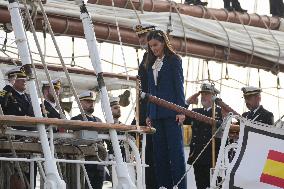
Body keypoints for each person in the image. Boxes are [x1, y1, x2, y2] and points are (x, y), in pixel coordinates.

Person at [145, 30, 186, 189]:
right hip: (156, 114)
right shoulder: (151, 64)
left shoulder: (174, 60)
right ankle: (164, 186)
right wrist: (149, 113)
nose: (153, 49)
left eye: (155, 45)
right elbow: (150, 91)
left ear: (163, 42)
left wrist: (181, 110)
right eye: (151, 46)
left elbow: (179, 86)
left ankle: (180, 186)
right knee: (160, 154)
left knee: (176, 154)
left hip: (171, 113)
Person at [0, 67, 36, 188]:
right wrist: (8, 86)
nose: (24, 81)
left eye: (24, 78)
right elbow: (0, 102)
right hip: (15, 140)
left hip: (31, 141)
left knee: (31, 178)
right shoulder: (6, 93)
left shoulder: (29, 98)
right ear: (13, 80)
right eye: (20, 79)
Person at [132, 23, 157, 189]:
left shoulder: (154, 57)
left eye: (144, 36)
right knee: (145, 154)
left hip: (150, 110)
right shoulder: (146, 57)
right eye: (140, 37)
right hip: (143, 110)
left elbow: (153, 88)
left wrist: (149, 113)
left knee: (152, 154)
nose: (141, 39)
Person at [184, 83, 223, 189]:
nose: (203, 96)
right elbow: (179, 116)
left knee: (215, 186)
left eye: (207, 94)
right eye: (202, 94)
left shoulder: (221, 112)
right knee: (200, 186)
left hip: (213, 158)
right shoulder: (195, 112)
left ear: (214, 96)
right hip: (198, 156)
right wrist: (187, 102)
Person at [71, 91, 105, 189]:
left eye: (93, 102)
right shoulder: (75, 120)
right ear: (80, 103)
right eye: (88, 101)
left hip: (99, 163)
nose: (91, 104)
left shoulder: (99, 121)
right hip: (84, 162)